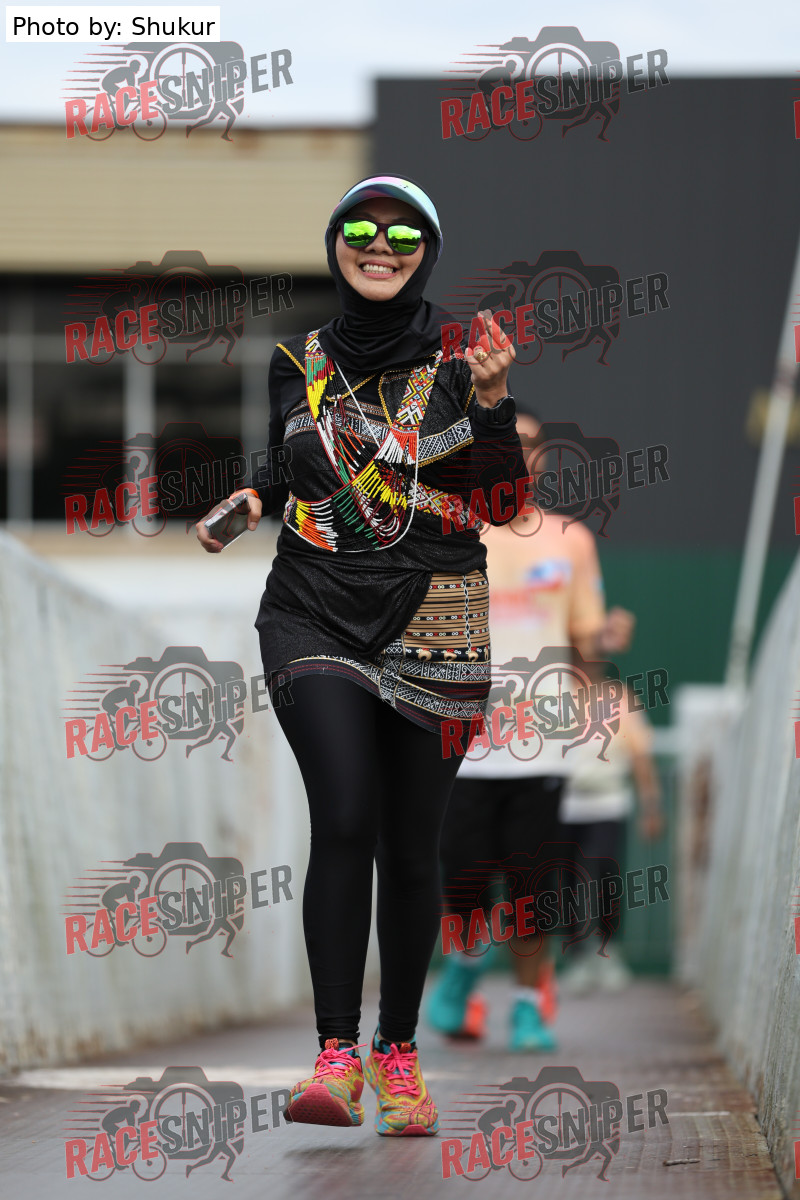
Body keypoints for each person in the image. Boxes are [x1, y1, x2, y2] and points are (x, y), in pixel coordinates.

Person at [197, 175, 527, 1136]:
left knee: (412, 846)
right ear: (335, 243)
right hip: (313, 611)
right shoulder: (295, 359)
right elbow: (291, 459)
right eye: (361, 229)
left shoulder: (466, 359)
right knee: (344, 814)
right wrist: (253, 496)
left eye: (403, 235)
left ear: (428, 251)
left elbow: (504, 506)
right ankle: (336, 1056)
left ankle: (399, 1052)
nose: (380, 247)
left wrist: (495, 402)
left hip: (439, 614)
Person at [427, 412, 633, 1051]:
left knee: (531, 891)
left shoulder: (570, 540)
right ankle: (463, 971)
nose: (516, 454)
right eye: (505, 442)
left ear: (543, 459)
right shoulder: (446, 530)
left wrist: (607, 638)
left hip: (543, 746)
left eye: (527, 445)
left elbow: (586, 645)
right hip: (463, 747)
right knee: (463, 887)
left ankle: (525, 1009)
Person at [558, 694, 664, 993]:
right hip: (565, 803)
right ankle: (578, 957)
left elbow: (640, 755)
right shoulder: (552, 692)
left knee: (606, 871)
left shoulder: (620, 699)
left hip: (609, 802)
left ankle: (608, 950)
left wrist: (651, 805)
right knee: (569, 879)